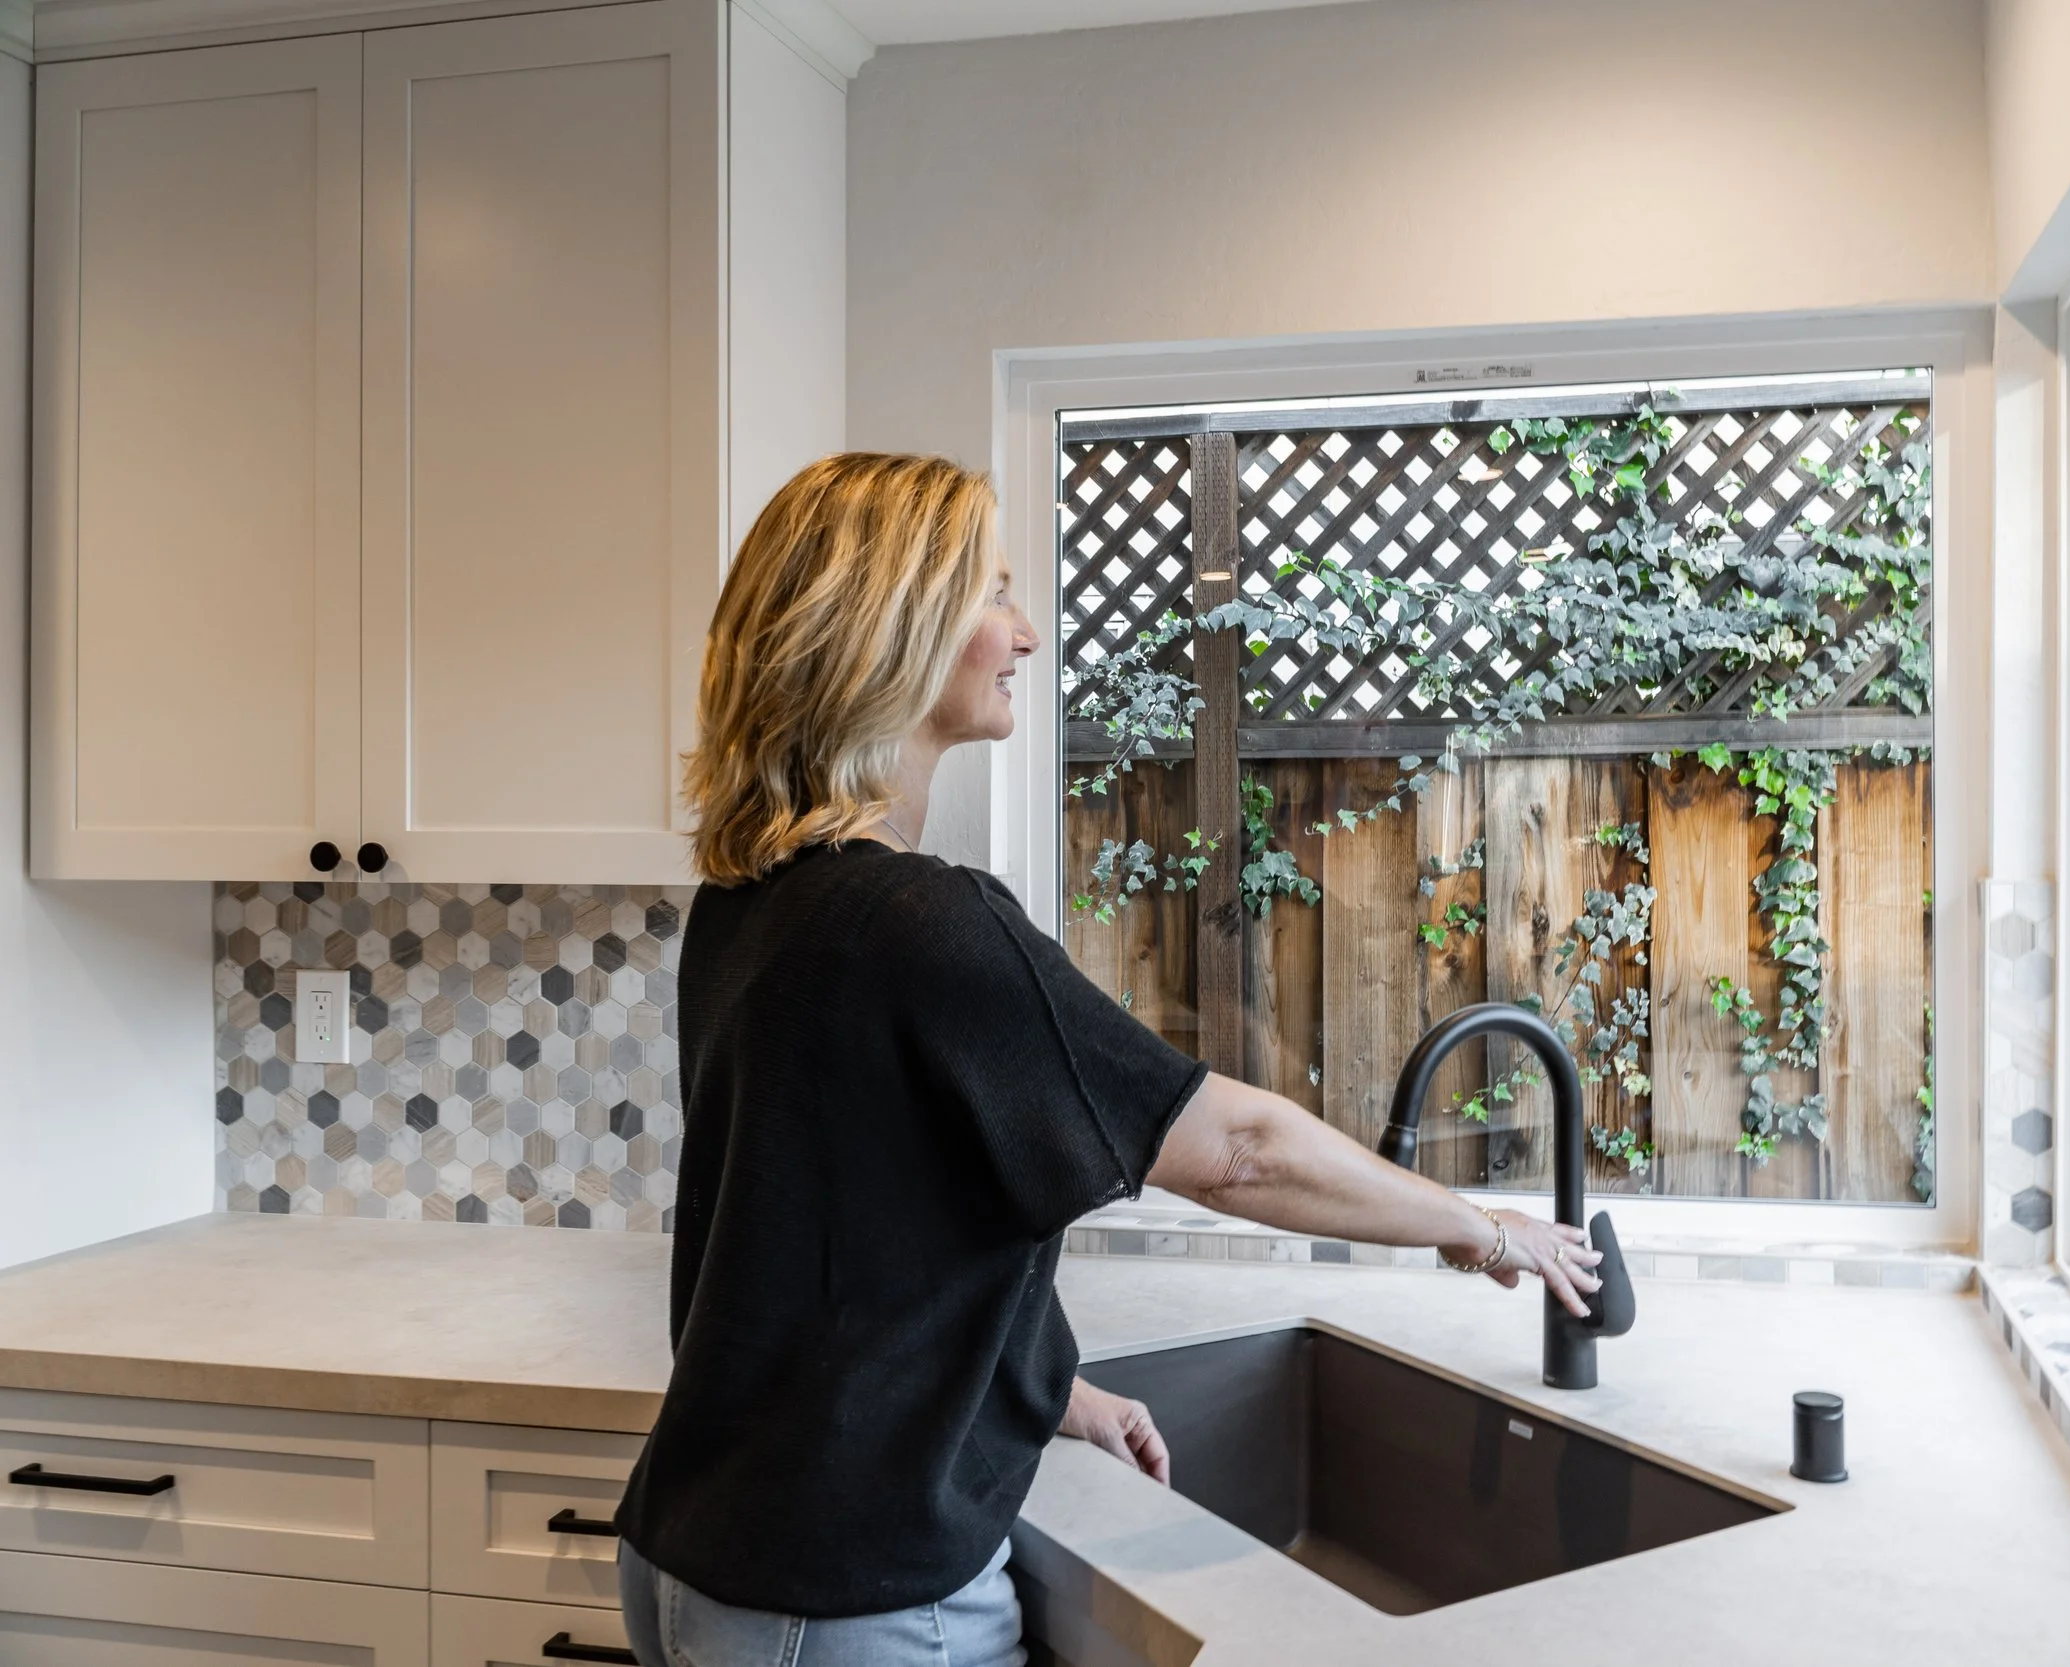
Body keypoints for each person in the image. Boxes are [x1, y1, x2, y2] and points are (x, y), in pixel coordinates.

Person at [612, 452, 1602, 1666]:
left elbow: (852, 1245)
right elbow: (1234, 1149)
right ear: (889, 630)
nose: (1024, 632)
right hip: (850, 1600)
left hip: (696, 1559)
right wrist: (1480, 1226)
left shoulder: (751, 899)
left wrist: (1056, 1395)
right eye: (993, 593)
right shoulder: (926, 923)